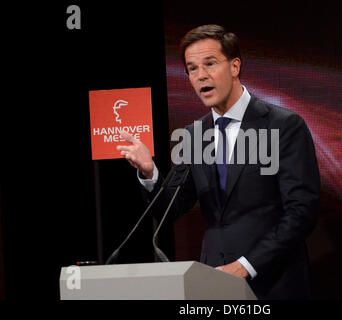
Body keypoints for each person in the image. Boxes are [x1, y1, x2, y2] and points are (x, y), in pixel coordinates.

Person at [117, 24, 320, 299]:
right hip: (215, 283)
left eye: (209, 64)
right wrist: (149, 171)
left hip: (274, 283)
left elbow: (301, 212)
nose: (201, 76)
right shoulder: (194, 135)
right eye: (192, 68)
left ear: (235, 66)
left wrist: (246, 266)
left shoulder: (284, 125)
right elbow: (172, 209)